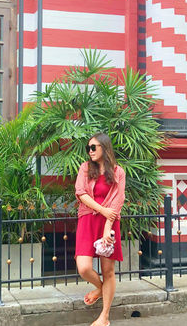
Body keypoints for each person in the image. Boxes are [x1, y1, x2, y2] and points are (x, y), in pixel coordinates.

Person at [75, 132, 126, 326]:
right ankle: (100, 288)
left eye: (94, 147)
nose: (90, 151)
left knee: (108, 270)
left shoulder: (118, 172)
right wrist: (102, 210)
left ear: (104, 148)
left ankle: (104, 317)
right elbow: (81, 193)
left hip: (109, 223)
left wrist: (107, 228)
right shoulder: (85, 168)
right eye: (89, 148)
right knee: (84, 267)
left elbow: (118, 200)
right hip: (88, 220)